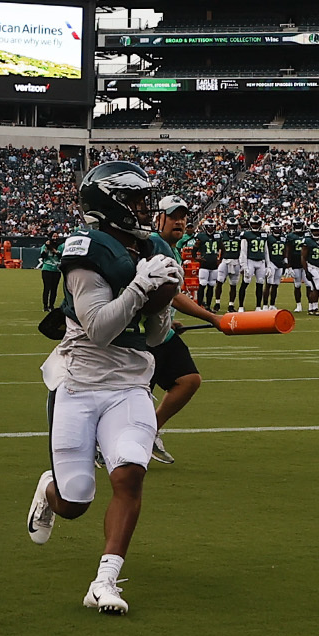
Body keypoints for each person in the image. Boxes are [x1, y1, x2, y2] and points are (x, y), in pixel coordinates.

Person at [24, 160, 181, 615]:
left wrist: (162, 303)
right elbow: (96, 328)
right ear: (109, 203)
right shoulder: (86, 250)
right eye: (134, 200)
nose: (143, 208)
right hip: (80, 382)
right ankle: (49, 490)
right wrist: (138, 288)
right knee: (75, 502)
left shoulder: (151, 247)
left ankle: (105, 581)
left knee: (130, 474)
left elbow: (152, 338)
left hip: (131, 382)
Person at [140, 196, 226, 463]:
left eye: (183, 217)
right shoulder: (156, 244)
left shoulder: (170, 248)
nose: (179, 221)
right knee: (133, 397)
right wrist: (213, 318)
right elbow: (173, 295)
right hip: (143, 336)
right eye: (173, 216)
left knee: (188, 380)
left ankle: (149, 431)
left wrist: (170, 320)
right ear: (159, 219)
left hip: (161, 332)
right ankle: (103, 442)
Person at [37, 235, 62, 312]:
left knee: (54, 289)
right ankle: (45, 306)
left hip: (56, 270)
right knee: (47, 288)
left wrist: (52, 248)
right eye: (53, 236)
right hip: (47, 269)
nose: (55, 238)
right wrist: (46, 248)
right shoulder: (45, 246)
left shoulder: (61, 246)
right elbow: (43, 256)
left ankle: (51, 305)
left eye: (56, 236)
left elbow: (60, 255)